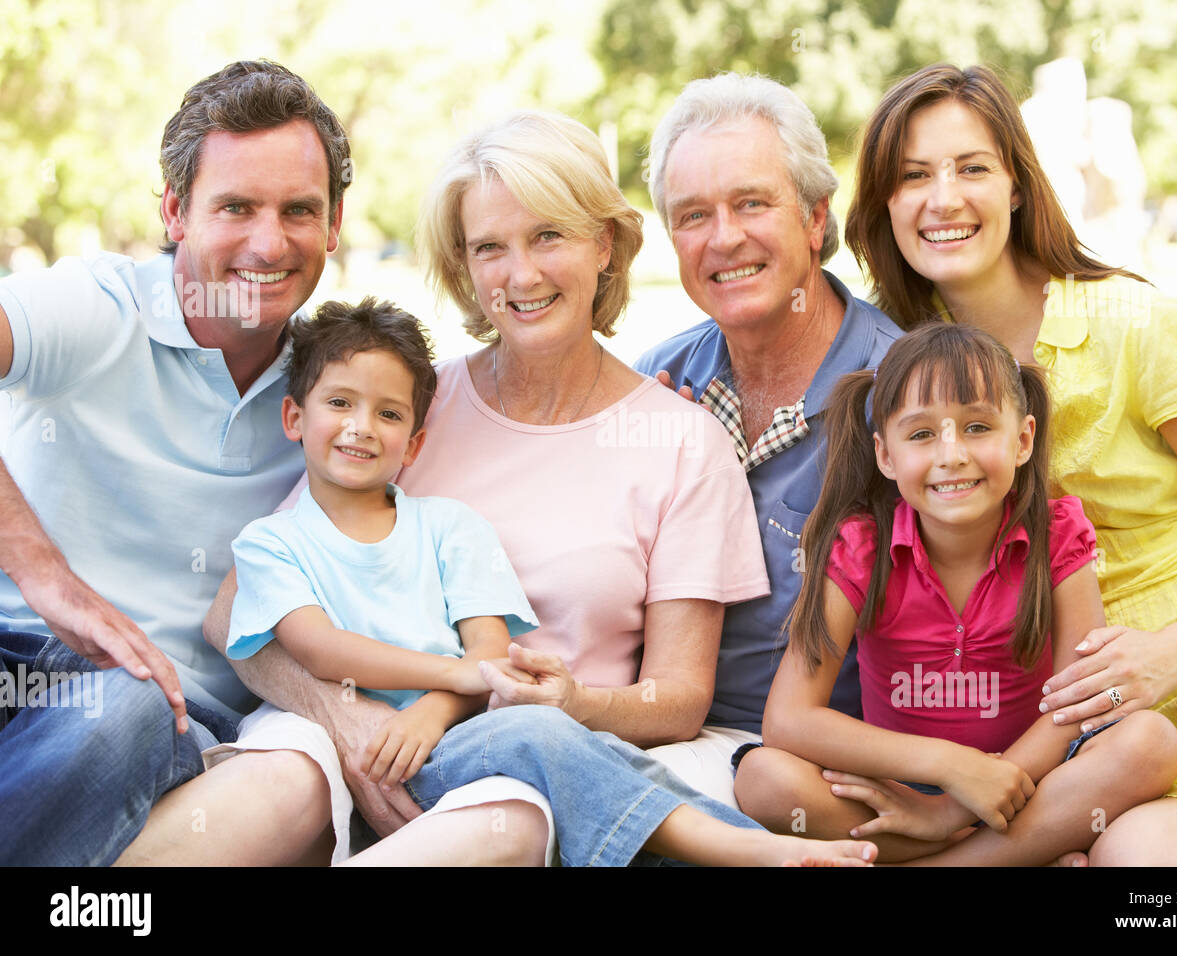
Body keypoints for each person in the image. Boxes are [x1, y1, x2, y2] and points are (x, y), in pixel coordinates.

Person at [145, 110, 814, 866]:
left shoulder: (683, 442)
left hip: (526, 757)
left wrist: (575, 704)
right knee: (284, 774)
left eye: (548, 236)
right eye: (489, 248)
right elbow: (237, 610)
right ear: (464, 267)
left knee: (507, 819)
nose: (520, 275)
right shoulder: (407, 408)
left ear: (604, 244)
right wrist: (349, 722)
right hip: (349, 722)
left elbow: (679, 696)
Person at [844, 63, 1177, 865]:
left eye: (972, 168)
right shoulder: (902, 367)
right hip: (1094, 721)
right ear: (885, 201)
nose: (942, 198)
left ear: (1019, 187)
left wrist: (1176, 653)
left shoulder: (1139, 330)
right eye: (912, 176)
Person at [0, 60, 349, 866]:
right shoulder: (98, 308)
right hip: (14, 651)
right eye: (236, 207)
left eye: (299, 210)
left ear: (334, 224)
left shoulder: (331, 396)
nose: (269, 242)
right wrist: (49, 580)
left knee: (127, 704)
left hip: (143, 716)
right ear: (174, 211)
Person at [734, 323, 1177, 864]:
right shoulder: (861, 545)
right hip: (899, 793)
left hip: (1026, 787)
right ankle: (1007, 857)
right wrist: (950, 769)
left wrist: (954, 810)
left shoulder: (1057, 532)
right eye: (921, 434)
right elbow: (788, 720)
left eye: (976, 427)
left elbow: (1080, 703)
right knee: (764, 779)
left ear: (1023, 440)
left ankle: (952, 857)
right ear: (885, 456)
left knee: (1151, 743)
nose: (951, 455)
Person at [634, 73, 903, 807]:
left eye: (752, 202)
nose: (724, 238)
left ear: (817, 219)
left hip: (841, 768)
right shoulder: (652, 386)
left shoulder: (906, 387)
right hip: (677, 748)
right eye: (693, 216)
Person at [224, 297, 538, 801]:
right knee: (269, 782)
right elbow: (320, 650)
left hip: (446, 728)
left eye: (388, 413)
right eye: (340, 402)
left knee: (533, 754)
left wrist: (433, 710)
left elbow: (490, 653)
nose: (362, 426)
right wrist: (452, 672)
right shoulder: (268, 543)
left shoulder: (451, 526)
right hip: (316, 731)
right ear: (294, 417)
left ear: (413, 445)